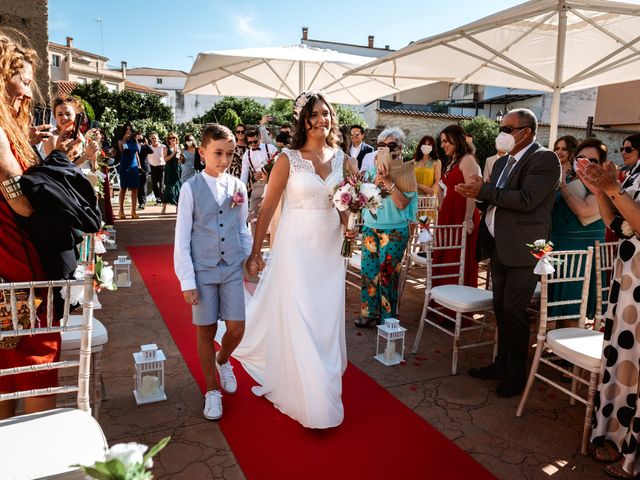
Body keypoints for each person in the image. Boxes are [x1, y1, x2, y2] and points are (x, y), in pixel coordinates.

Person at [234, 91, 357, 429]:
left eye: (327, 113)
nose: (322, 119)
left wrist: (350, 228)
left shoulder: (343, 159)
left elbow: (349, 203)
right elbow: (269, 206)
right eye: (315, 114)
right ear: (304, 121)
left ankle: (323, 378)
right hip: (296, 249)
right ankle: (313, 399)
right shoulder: (288, 158)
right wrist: (256, 251)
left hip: (330, 251)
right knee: (302, 314)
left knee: (324, 316)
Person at [0, 30, 99, 419]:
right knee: (35, 365)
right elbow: (21, 204)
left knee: (7, 369)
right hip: (19, 271)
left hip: (12, 268)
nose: (27, 93)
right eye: (23, 80)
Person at [455, 108, 560, 398]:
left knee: (515, 311)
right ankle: (501, 363)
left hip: (525, 249)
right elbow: (495, 200)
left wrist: (485, 191)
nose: (502, 133)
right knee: (500, 308)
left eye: (507, 128)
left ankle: (516, 373)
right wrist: (475, 195)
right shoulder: (502, 164)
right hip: (499, 245)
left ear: (526, 132)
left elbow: (526, 200)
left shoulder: (544, 159)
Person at [174, 124, 251, 420]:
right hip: (202, 269)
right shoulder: (190, 188)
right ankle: (211, 390)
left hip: (231, 267)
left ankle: (223, 360)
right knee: (205, 330)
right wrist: (187, 280)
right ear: (203, 151)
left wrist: (249, 256)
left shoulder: (238, 187)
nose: (224, 159)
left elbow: (242, 228)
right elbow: (182, 237)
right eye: (218, 153)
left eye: (230, 154)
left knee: (236, 329)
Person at [574, 143, 640, 480]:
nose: (626, 150)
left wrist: (612, 188)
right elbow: (616, 224)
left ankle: (632, 452)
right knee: (622, 360)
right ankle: (614, 434)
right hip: (627, 282)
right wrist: (601, 190)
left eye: (629, 147)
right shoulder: (636, 174)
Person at [356, 127, 418, 327]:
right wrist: (372, 184)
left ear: (400, 148)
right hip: (370, 228)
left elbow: (402, 204)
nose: (387, 149)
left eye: (392, 145)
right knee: (369, 274)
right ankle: (370, 313)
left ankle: (387, 319)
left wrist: (389, 182)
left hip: (394, 232)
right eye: (382, 145)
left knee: (388, 276)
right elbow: (364, 202)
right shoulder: (371, 171)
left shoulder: (407, 172)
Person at [550, 138, 607, 323]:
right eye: (581, 158)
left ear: (602, 164)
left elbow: (585, 212)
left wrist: (564, 188)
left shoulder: (602, 185)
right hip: (557, 246)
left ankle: (568, 349)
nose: (586, 164)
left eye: (593, 161)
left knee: (573, 309)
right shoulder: (565, 178)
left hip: (581, 254)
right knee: (551, 306)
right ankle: (550, 345)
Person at [436, 125, 480, 288]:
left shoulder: (467, 160)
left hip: (461, 216)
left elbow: (472, 192)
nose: (442, 145)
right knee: (447, 255)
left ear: (457, 140)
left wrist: (468, 219)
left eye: (446, 141)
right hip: (448, 214)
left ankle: (455, 303)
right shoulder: (453, 161)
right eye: (442, 142)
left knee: (458, 257)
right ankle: (442, 299)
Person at [43, 96, 99, 168]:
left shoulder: (80, 136)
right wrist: (86, 156)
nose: (64, 118)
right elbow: (58, 169)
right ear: (55, 117)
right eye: (60, 114)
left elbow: (93, 169)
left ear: (76, 115)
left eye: (68, 114)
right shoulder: (52, 138)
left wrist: (93, 159)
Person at [239, 128, 277, 225]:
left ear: (260, 137)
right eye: (250, 143)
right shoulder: (246, 155)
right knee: (253, 218)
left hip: (273, 185)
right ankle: (254, 239)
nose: (252, 144)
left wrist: (267, 172)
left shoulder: (271, 148)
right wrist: (240, 192)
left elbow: (279, 166)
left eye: (255, 141)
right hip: (258, 185)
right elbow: (244, 175)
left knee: (273, 219)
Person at [117, 124, 141, 219]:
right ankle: (121, 210)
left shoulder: (134, 141)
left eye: (130, 129)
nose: (128, 131)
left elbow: (136, 154)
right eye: (126, 129)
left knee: (135, 188)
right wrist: (124, 139)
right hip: (124, 166)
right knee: (123, 188)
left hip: (134, 166)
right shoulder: (120, 140)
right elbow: (122, 150)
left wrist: (139, 165)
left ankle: (133, 211)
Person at [161, 132, 182, 215]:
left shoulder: (179, 148)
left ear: (176, 139)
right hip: (169, 169)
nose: (172, 139)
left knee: (177, 187)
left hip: (177, 169)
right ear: (168, 140)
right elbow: (165, 159)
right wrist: (173, 153)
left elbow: (180, 160)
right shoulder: (166, 148)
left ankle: (177, 208)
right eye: (171, 138)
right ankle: (164, 208)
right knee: (168, 188)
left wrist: (180, 157)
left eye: (174, 138)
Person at [148, 132, 165, 205]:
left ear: (158, 138)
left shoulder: (163, 147)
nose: (154, 139)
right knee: (154, 183)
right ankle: (158, 198)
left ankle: (161, 199)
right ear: (150, 139)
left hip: (161, 166)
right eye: (152, 138)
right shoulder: (148, 147)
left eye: (155, 138)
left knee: (161, 183)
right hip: (152, 167)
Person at [137, 135, 153, 210]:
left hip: (144, 168)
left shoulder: (144, 146)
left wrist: (146, 143)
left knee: (143, 185)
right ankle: (139, 201)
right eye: (138, 138)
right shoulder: (134, 146)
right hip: (135, 167)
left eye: (141, 138)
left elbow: (151, 151)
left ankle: (142, 203)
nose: (140, 139)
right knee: (138, 186)